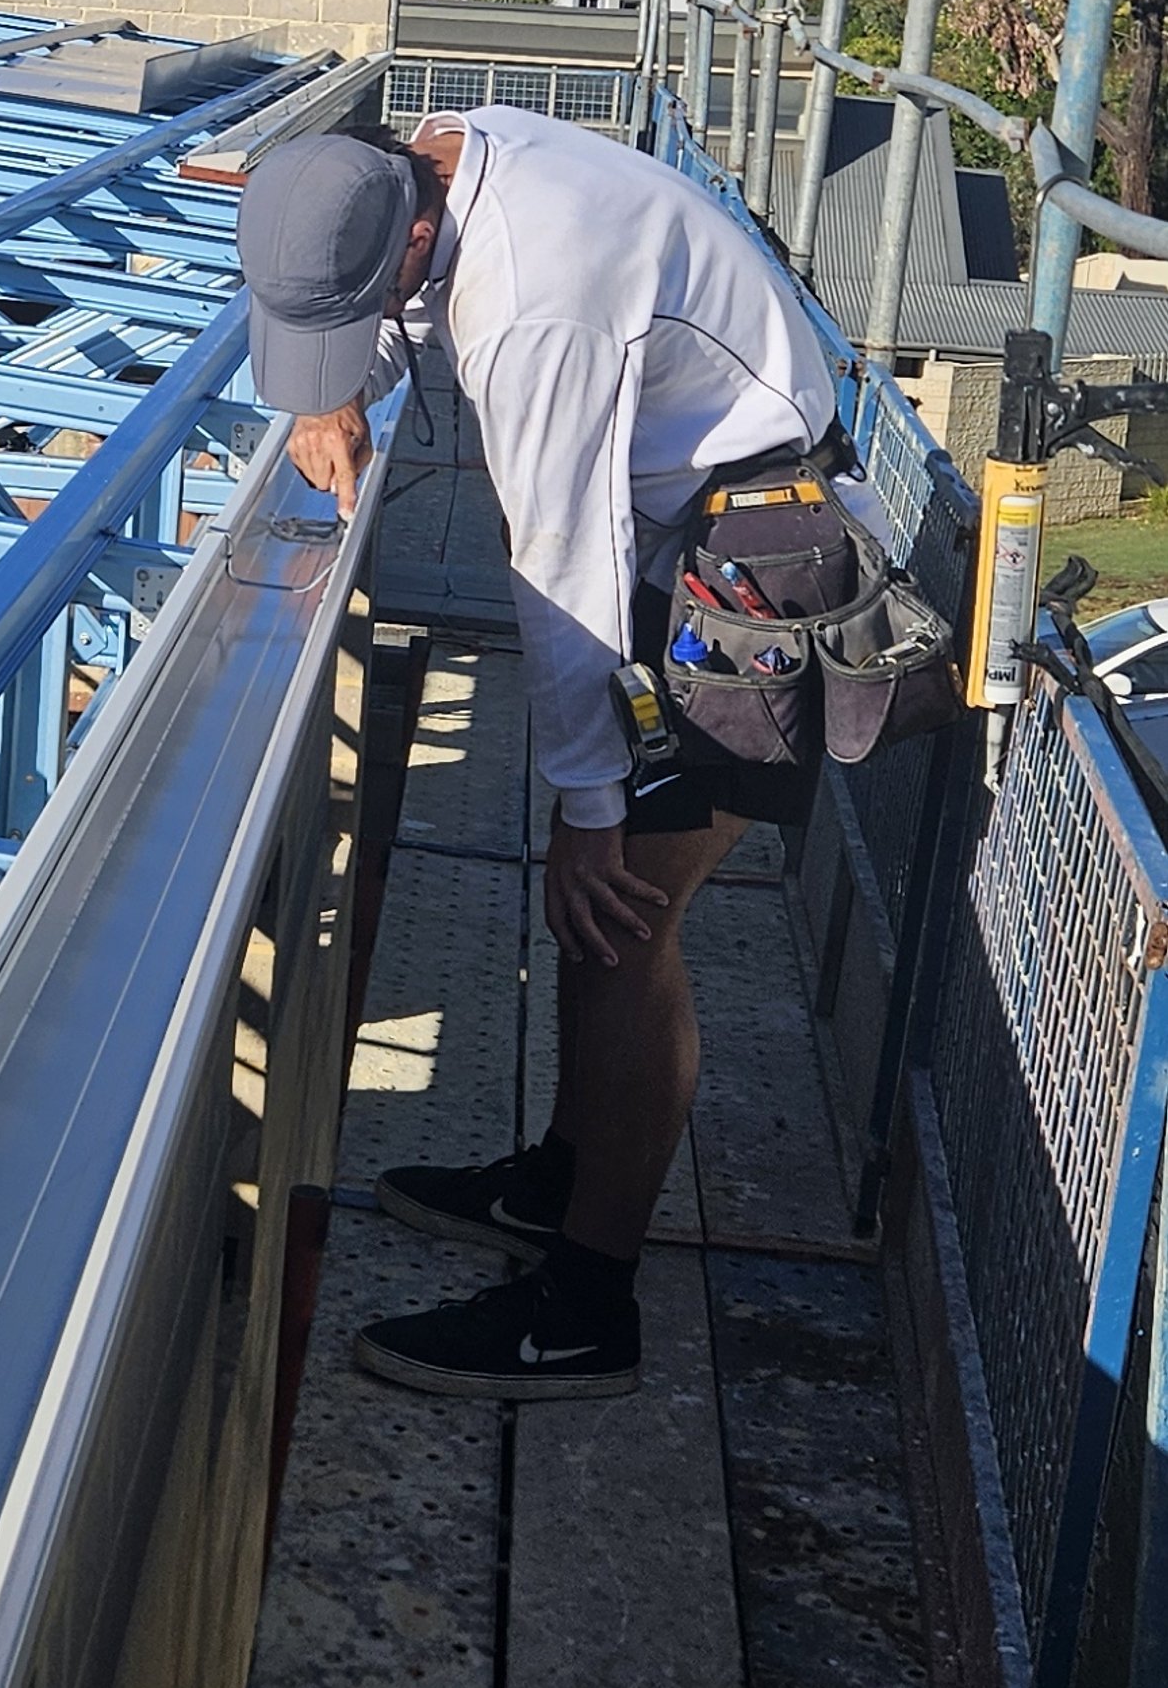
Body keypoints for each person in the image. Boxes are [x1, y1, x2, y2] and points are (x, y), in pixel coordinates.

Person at [238, 106, 844, 1401]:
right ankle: (563, 1174)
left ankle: (584, 1307)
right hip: (687, 528)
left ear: (416, 230)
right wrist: (332, 381)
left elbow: (560, 565)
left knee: (619, 914)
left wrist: (588, 809)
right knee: (594, 916)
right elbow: (396, 304)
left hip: (754, 574)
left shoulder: (535, 304)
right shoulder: (444, 150)